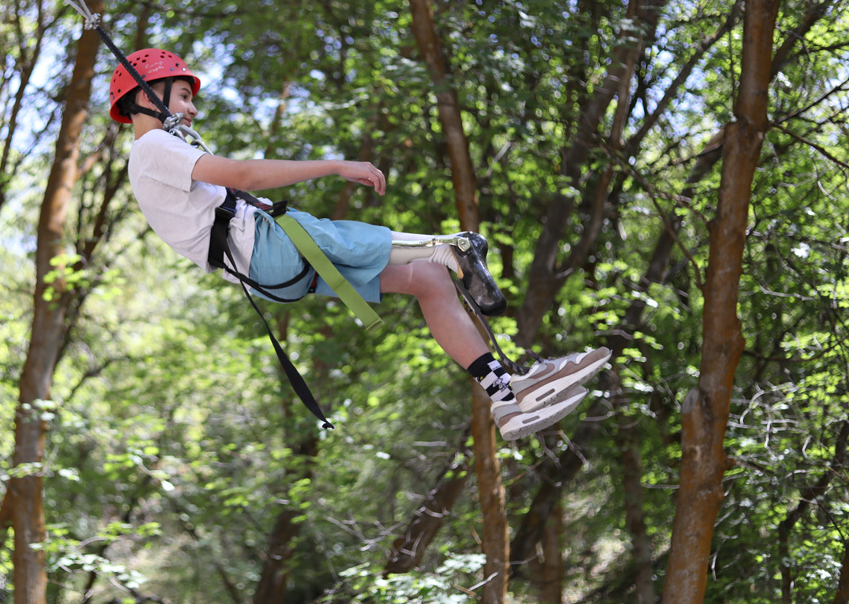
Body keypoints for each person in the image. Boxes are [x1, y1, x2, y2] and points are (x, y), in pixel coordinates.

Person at [110, 48, 609, 440]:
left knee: (429, 281)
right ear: (147, 94)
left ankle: (506, 396)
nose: (192, 108)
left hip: (272, 274)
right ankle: (447, 246)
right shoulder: (152, 146)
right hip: (268, 247)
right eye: (183, 95)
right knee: (426, 253)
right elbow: (243, 175)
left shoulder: (160, 154)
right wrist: (335, 165)